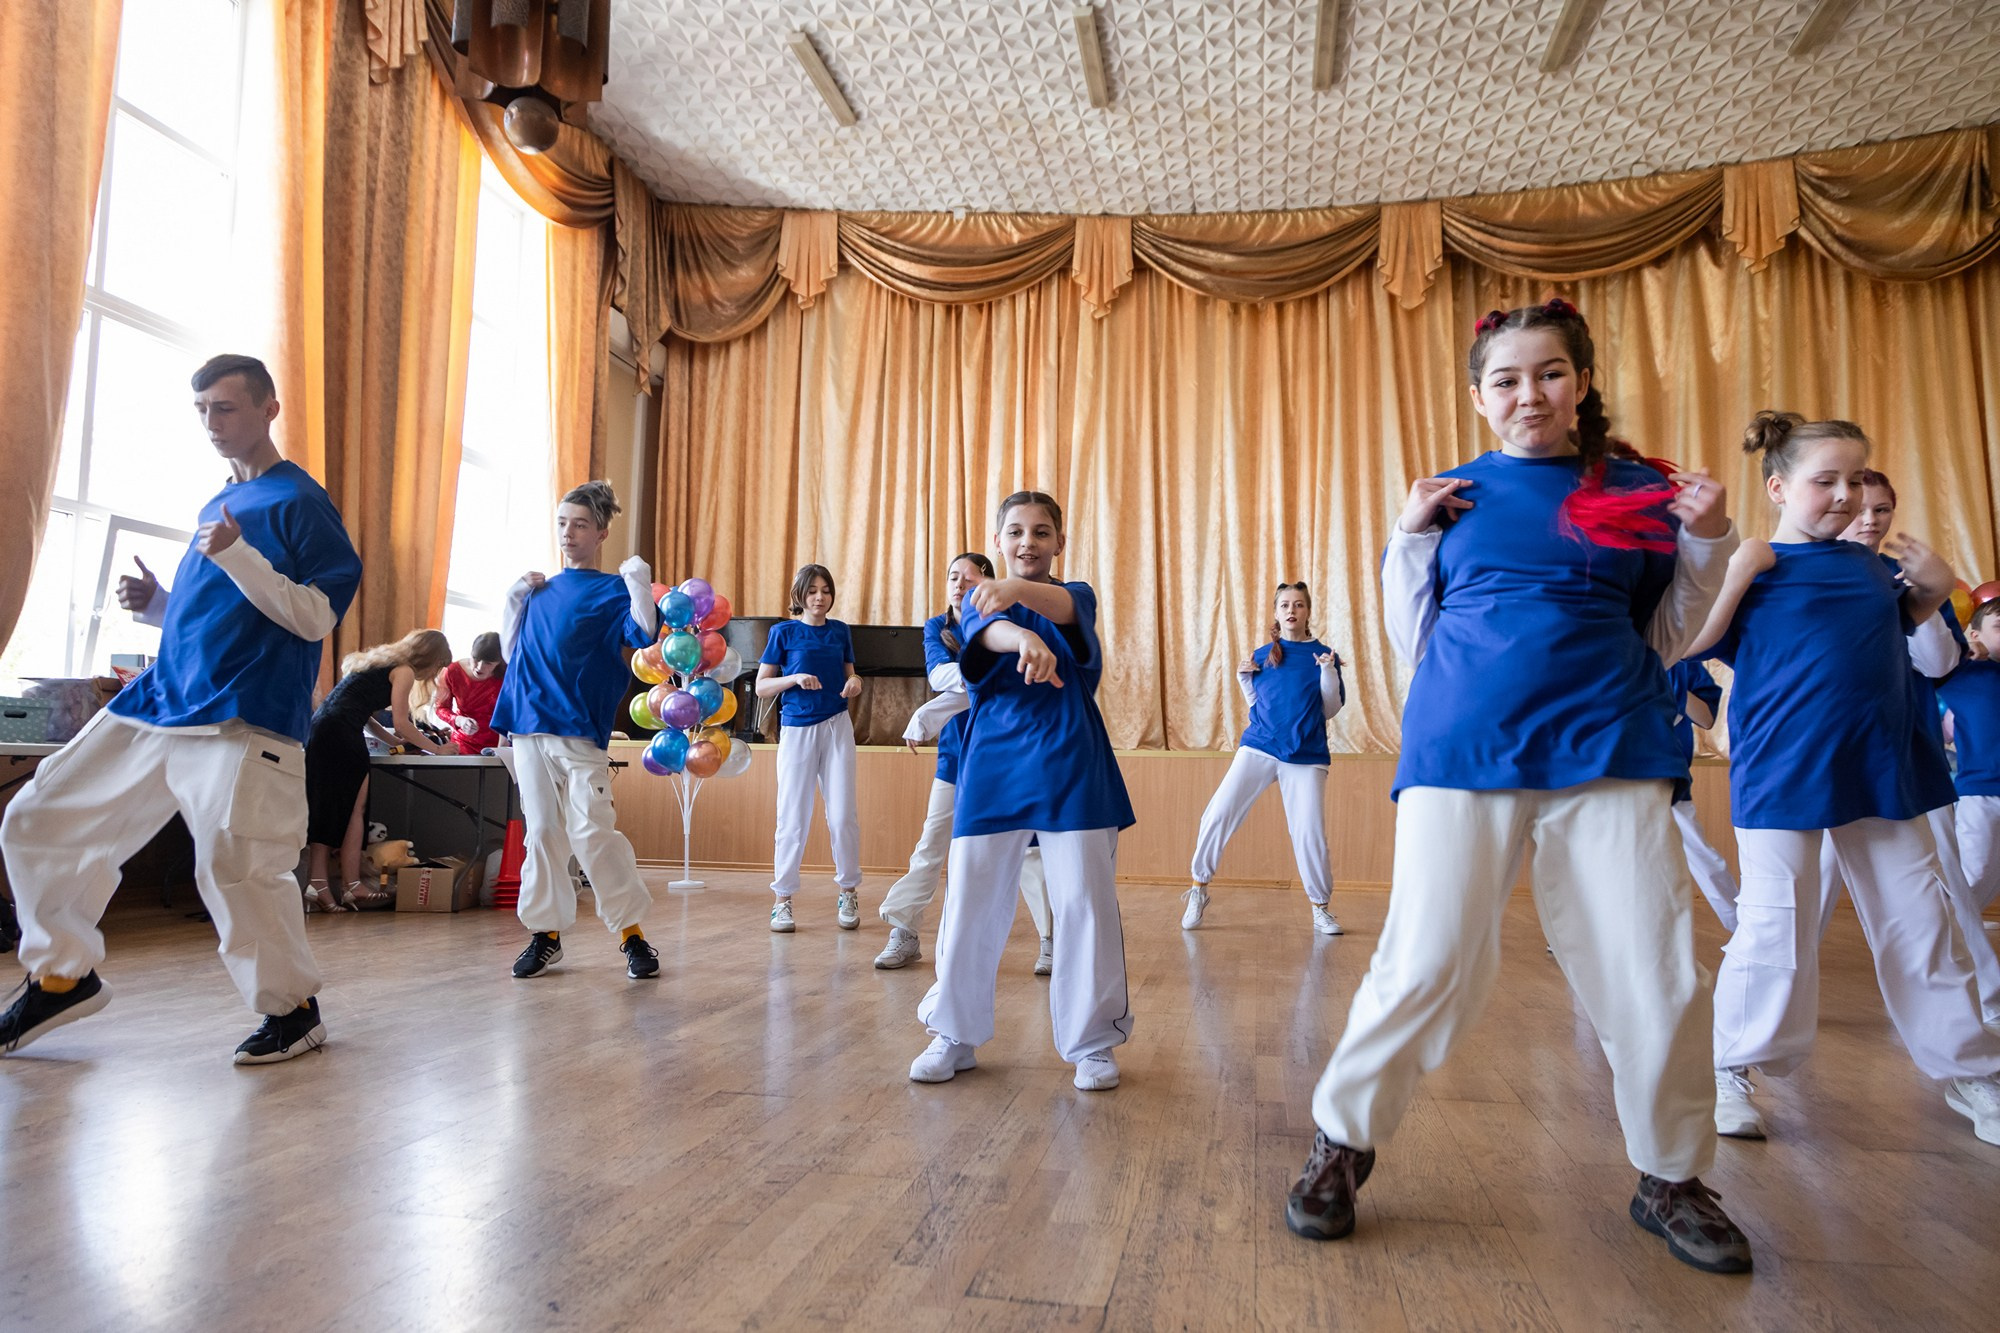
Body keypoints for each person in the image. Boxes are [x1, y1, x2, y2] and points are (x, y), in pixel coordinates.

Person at [1287, 300, 1752, 1274]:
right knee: (1426, 956)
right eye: (1503, 378)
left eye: (1546, 373)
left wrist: (1707, 542)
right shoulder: (1449, 496)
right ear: (1477, 395)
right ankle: (1342, 1137)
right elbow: (1412, 640)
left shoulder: (1637, 491)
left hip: (1614, 741)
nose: (1525, 393)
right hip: (1462, 745)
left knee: (1653, 964)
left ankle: (1668, 1173)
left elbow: (1665, 632)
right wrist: (1407, 537)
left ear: (1578, 381)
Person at [0, 354, 361, 1063]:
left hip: (243, 716)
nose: (212, 423)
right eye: (202, 410)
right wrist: (160, 605)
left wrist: (236, 556)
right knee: (38, 817)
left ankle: (292, 1010)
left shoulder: (299, 502)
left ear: (268, 410)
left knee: (235, 866)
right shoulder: (216, 504)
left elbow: (315, 616)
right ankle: (62, 973)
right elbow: (225, 616)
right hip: (162, 702)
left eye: (226, 408)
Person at [1687, 413, 2000, 1147]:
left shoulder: (1870, 565)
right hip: (1784, 768)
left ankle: (1973, 1068)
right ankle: (1730, 1066)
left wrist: (1928, 592)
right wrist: (1736, 567)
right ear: (1779, 486)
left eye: (1854, 480)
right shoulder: (1761, 562)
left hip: (1881, 764)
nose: (1844, 495)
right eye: (1823, 480)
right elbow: (1693, 643)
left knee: (1921, 918)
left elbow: (1911, 640)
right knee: (1774, 921)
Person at [910, 490, 1135, 1092]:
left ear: (1059, 542)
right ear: (999, 540)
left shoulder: (1074, 596)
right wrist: (1019, 636)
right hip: (994, 764)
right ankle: (953, 1032)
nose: (1027, 543)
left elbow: (1062, 606)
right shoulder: (978, 605)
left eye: (1040, 532)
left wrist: (1014, 595)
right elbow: (991, 631)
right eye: (1015, 532)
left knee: (1084, 901)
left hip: (1071, 759)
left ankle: (1093, 1041)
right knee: (970, 897)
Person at [492, 481, 661, 982]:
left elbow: (644, 633)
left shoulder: (612, 590)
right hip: (526, 724)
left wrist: (637, 583)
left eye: (580, 524)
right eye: (562, 522)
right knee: (542, 832)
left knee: (591, 833)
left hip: (579, 729)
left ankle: (633, 937)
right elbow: (508, 651)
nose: (568, 532)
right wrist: (511, 600)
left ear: (601, 533)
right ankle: (545, 936)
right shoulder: (537, 590)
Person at [876, 552, 1053, 975]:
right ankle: (904, 929)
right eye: (952, 576)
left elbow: (1005, 677)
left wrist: (927, 714)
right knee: (932, 843)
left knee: (1029, 852)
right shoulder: (939, 627)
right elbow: (943, 676)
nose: (958, 584)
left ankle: (1050, 940)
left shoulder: (1006, 623)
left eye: (968, 577)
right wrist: (974, 680)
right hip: (957, 755)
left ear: (987, 583)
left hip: (1007, 754)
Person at [1182, 581, 1346, 936]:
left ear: (1307, 612)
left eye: (1299, 604)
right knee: (1219, 812)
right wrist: (1244, 679)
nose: (1292, 610)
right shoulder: (1262, 655)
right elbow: (1259, 705)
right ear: (1276, 613)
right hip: (1259, 746)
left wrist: (1327, 672)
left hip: (1306, 755)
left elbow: (1329, 710)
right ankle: (1198, 888)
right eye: (1285, 604)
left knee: (1310, 833)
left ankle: (1321, 908)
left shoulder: (1324, 654)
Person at [303, 629, 455, 912]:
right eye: (439, 665)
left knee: (336, 809)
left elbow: (366, 715)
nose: (436, 672)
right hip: (341, 734)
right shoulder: (404, 671)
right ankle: (340, 886)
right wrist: (438, 749)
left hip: (324, 729)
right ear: (431, 659)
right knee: (348, 811)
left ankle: (334, 885)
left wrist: (395, 743)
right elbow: (401, 722)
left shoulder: (377, 664)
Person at [756, 564, 863, 933]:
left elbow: (850, 674)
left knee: (843, 815)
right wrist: (794, 678)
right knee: (792, 817)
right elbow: (761, 687)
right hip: (798, 730)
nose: (820, 597)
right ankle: (782, 899)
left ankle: (848, 890)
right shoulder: (782, 632)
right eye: (813, 590)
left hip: (837, 725)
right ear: (800, 595)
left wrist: (855, 682)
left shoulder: (840, 631)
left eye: (826, 590)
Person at [1942, 599, 2000, 998]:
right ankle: (1935, 941)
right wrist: (1964, 653)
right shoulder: (1963, 674)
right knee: (1974, 874)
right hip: (1979, 793)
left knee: (1987, 880)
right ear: (1976, 635)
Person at [1665, 658, 1738, 932]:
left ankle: (1741, 927)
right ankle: (1580, 935)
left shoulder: (1682, 662)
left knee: (1699, 853)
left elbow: (1706, 718)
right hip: (1614, 774)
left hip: (1666, 772)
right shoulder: (1612, 648)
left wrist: (1670, 685)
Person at [433, 632, 505, 755]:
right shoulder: (452, 671)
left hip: (501, 743)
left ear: (498, 662)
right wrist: (459, 720)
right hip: (464, 742)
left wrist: (502, 749)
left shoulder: (508, 676)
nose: (479, 667)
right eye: (476, 659)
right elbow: (440, 708)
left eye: (488, 663)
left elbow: (512, 714)